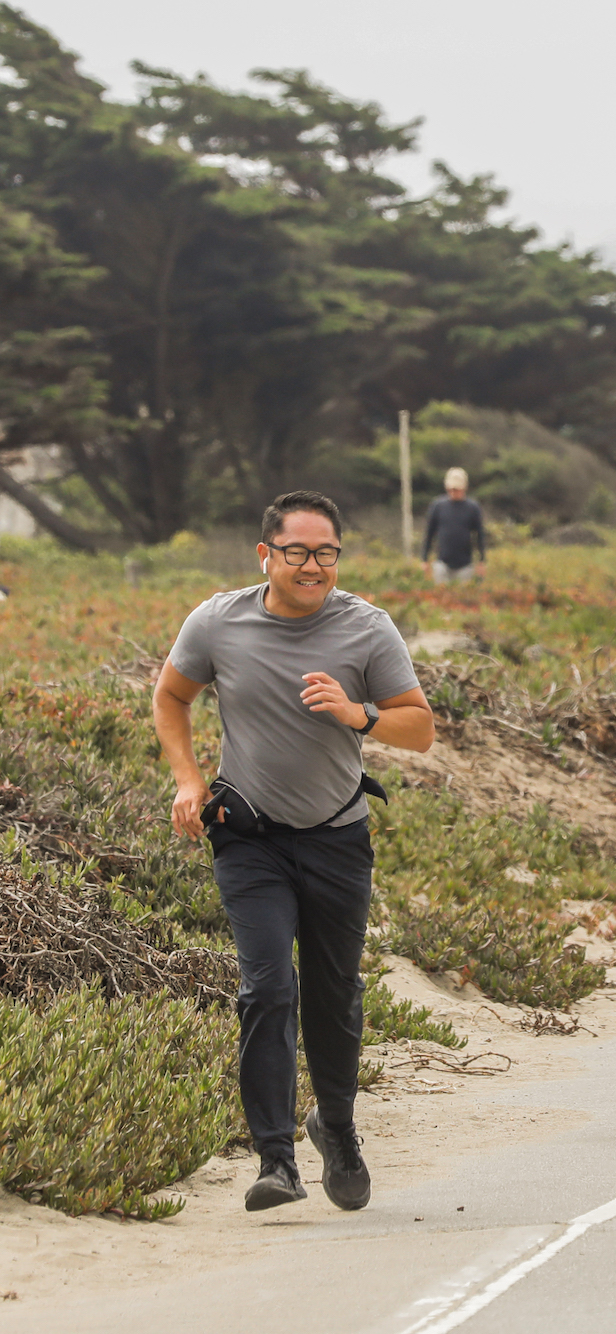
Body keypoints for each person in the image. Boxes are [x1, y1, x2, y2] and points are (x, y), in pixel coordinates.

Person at [152, 491, 434, 1213]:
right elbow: (171, 696)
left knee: (333, 995)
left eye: (327, 552)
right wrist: (187, 781)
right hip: (249, 839)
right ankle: (275, 1159)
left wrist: (357, 713)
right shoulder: (218, 621)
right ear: (266, 555)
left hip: (338, 838)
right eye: (298, 552)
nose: (313, 566)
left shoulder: (367, 628)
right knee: (266, 987)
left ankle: (334, 1126)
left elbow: (420, 729)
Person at [421, 467, 486, 584]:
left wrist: (482, 560)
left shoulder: (473, 508)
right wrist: (425, 559)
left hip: (465, 565)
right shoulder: (438, 506)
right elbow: (429, 533)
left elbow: (479, 535)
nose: (453, 492)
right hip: (442, 563)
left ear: (463, 488)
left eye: (456, 489)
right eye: (450, 489)